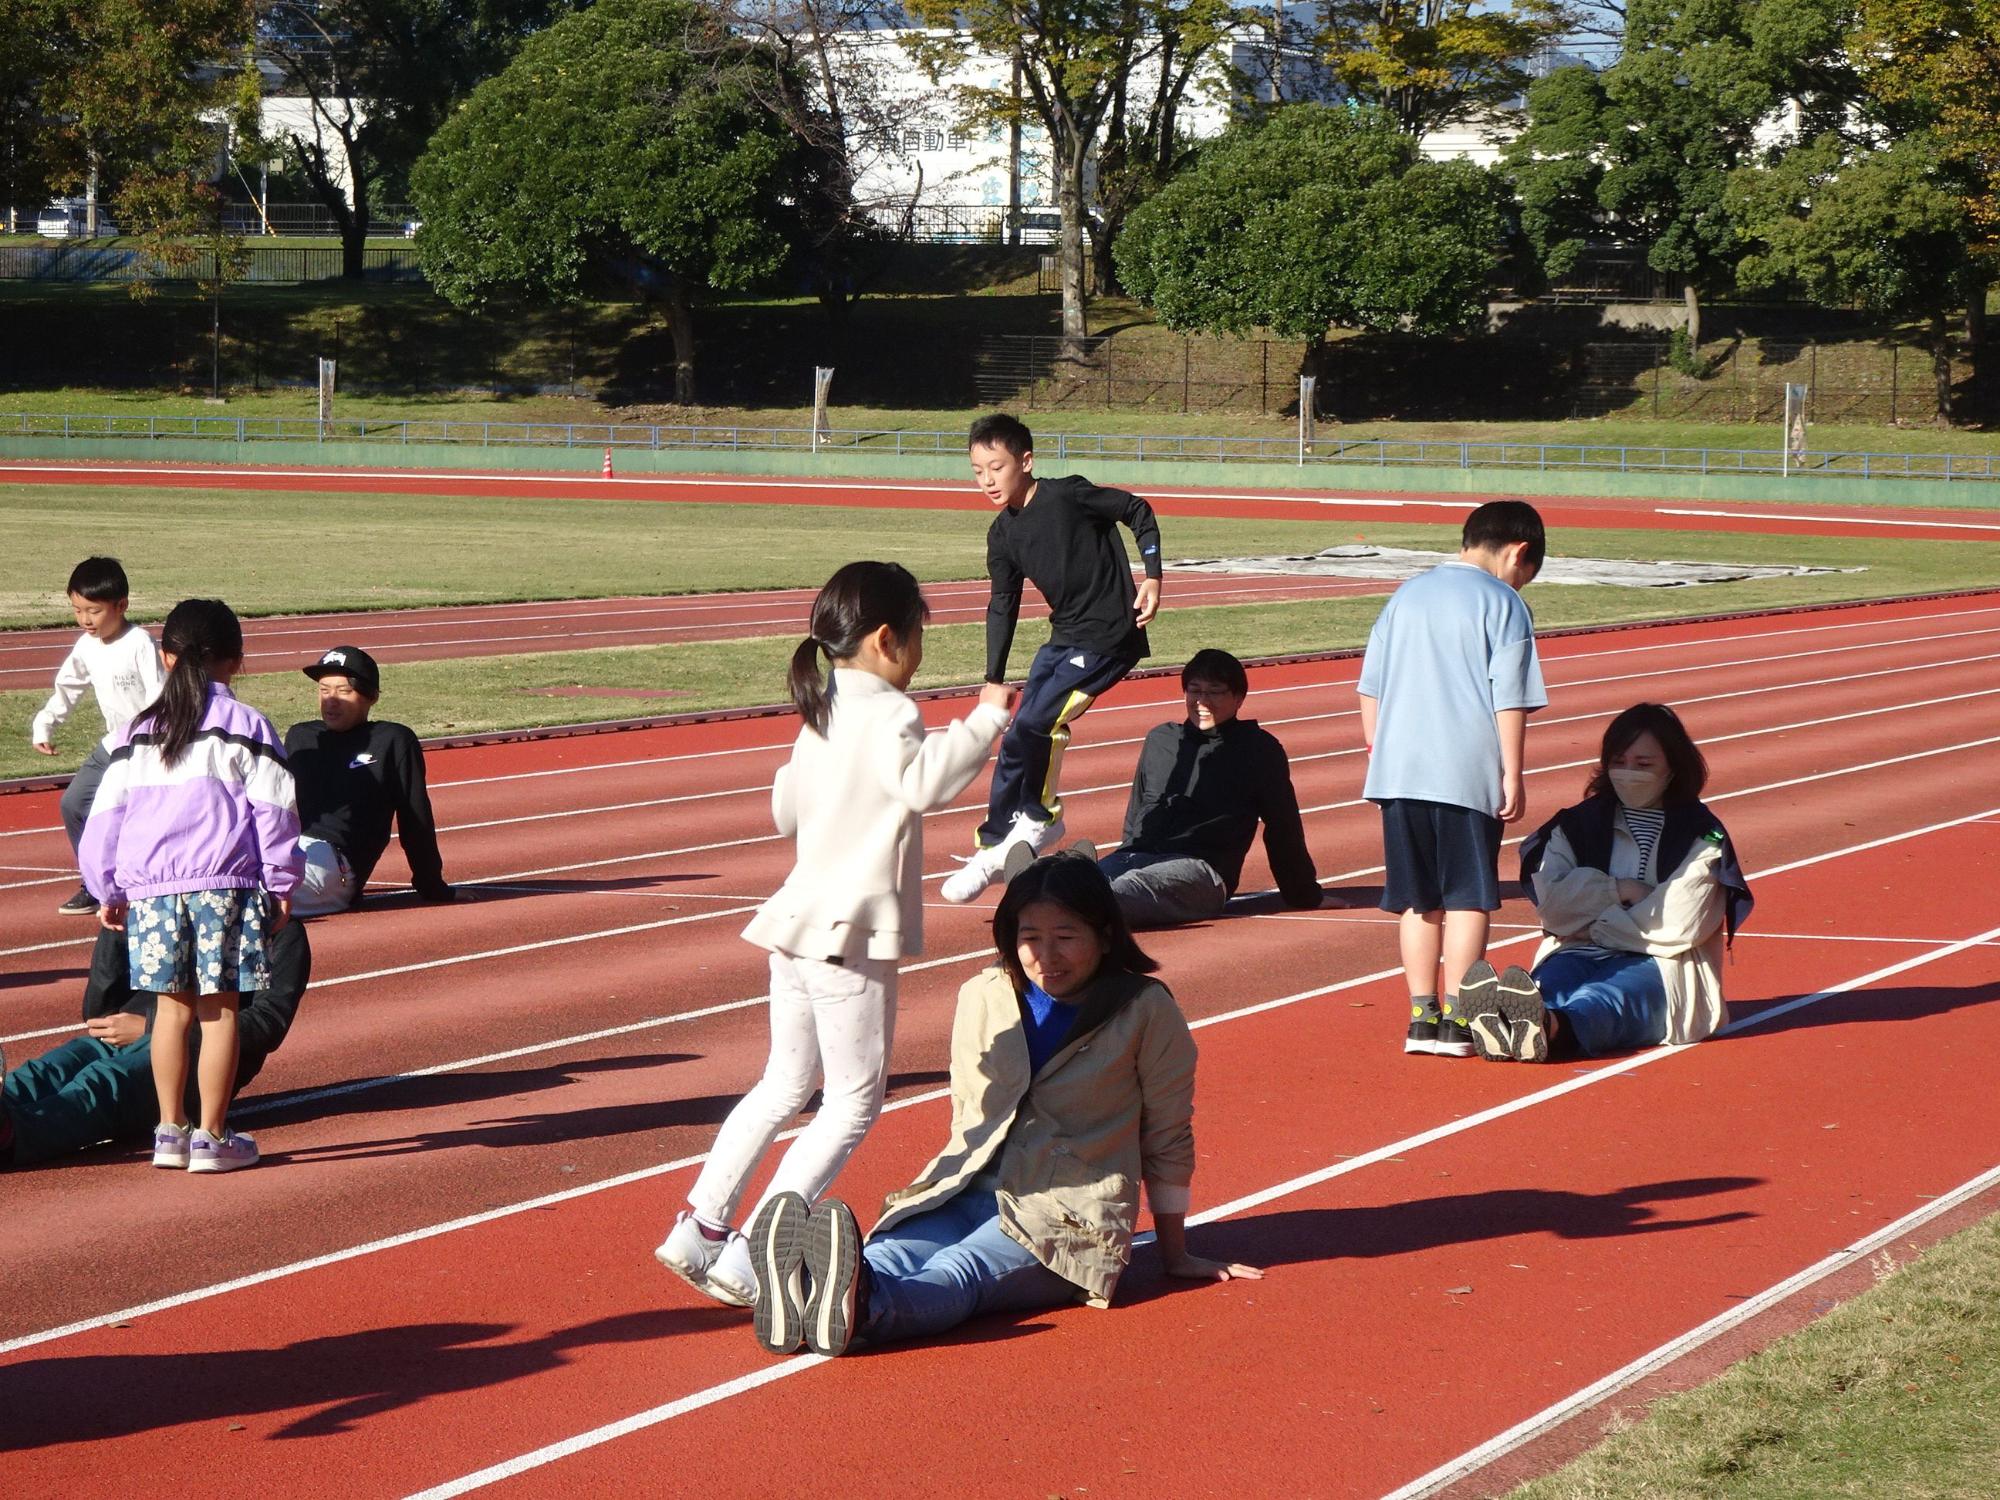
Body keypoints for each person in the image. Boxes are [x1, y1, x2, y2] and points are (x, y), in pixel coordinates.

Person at [655, 562, 1013, 1322]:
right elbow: (923, 787)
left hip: (793, 925)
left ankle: (700, 1227)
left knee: (783, 1084)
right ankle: (750, 1251)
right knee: (851, 1103)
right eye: (919, 635)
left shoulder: (818, 711)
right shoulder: (891, 712)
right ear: (888, 639)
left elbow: (784, 809)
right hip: (849, 932)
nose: (920, 650)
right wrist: (982, 721)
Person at [739, 851, 1261, 1358]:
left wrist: (1176, 1255)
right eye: (1029, 938)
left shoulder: (1146, 1009)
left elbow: (1168, 1133)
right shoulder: (983, 994)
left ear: (1105, 936)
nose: (1046, 957)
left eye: (1065, 938)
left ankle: (860, 1308)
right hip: (965, 1187)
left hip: (1065, 1210)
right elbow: (968, 1111)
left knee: (962, 1271)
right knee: (889, 1253)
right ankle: (817, 1295)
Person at [78, 598, 303, 1174]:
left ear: (165, 655)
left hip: (151, 891)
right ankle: (211, 1135)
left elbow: (106, 816)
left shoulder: (136, 732)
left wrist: (107, 887)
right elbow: (275, 811)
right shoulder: (248, 726)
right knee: (219, 1012)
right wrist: (281, 882)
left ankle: (169, 1131)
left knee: (169, 1011)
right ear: (237, 660)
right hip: (224, 887)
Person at [939, 412, 1164, 904]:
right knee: (1016, 731)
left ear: (1026, 460)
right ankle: (995, 842)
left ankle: (1041, 821)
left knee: (1039, 721)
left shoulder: (1069, 495)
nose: (987, 480)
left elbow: (1138, 510)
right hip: (1063, 639)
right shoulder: (1002, 535)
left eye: (995, 467)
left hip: (1110, 638)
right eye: (977, 471)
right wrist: (992, 676)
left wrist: (1152, 577)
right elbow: (1003, 604)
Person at [1356, 500, 1548, 1060]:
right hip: (1463, 771)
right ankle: (1462, 1021)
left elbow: (1369, 689)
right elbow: (1507, 696)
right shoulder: (1505, 603)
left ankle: (1421, 1016)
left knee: (1419, 900)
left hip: (1398, 772)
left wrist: (1380, 755)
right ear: (1520, 552)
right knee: (1468, 898)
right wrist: (1513, 771)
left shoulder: (1406, 595)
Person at [1463, 703, 1753, 1062]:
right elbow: (1552, 907)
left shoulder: (1703, 837)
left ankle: (1548, 1028)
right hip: (1574, 952)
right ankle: (1512, 1020)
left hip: (1662, 966)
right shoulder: (1574, 826)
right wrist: (1622, 891)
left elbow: (1677, 923)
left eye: (1644, 765)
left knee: (1602, 996)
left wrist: (1592, 922)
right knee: (1549, 985)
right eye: (1619, 762)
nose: (1629, 772)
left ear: (1673, 767)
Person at [0, 922, 311, 1168]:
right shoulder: (163, 908)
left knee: (102, 1084)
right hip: (117, 1036)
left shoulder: (281, 931)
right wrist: (117, 923)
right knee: (41, 1073)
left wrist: (151, 1027)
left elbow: (266, 1025)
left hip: (195, 1055)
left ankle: (9, 1134)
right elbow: (98, 1011)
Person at [1098, 648, 1322, 928]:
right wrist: (1126, 852)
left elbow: (1283, 826)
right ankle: (1051, 886)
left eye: (1215, 692)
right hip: (1137, 855)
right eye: (1195, 690)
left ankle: (1073, 896)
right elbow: (1137, 810)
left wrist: (1304, 895)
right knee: (1087, 879)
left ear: (1239, 699)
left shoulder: (1258, 749)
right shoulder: (1161, 740)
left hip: (1201, 871)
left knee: (1123, 889)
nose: (1202, 701)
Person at [30, 556, 166, 917]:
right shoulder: (86, 645)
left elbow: (160, 697)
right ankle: (93, 883)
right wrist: (45, 723)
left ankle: (149, 881)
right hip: (113, 744)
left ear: (121, 605)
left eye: (94, 610)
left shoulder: (139, 643)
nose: (85, 619)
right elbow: (68, 686)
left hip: (147, 748)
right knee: (73, 804)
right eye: (77, 610)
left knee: (139, 815)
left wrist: (156, 743)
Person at [284, 645, 453, 915]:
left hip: (333, 862)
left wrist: (431, 884)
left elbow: (415, 817)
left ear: (371, 696)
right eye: (324, 690)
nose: (331, 700)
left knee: (252, 900)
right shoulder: (302, 737)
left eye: (343, 691)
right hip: (284, 848)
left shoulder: (392, 740)